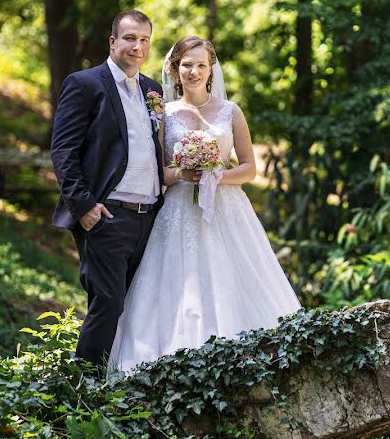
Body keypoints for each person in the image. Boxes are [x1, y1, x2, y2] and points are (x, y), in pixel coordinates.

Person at [108, 36, 300, 373]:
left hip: (227, 209)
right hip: (180, 210)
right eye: (186, 65)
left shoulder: (231, 111)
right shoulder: (164, 114)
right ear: (175, 69)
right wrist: (184, 173)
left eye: (200, 65)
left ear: (211, 69)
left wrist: (215, 176)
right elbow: (159, 173)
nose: (193, 71)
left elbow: (249, 169)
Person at [50, 10, 165, 369]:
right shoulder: (85, 84)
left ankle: (122, 384)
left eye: (144, 40)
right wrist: (84, 206)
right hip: (107, 215)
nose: (138, 46)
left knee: (137, 305)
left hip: (149, 217)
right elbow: (63, 150)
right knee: (109, 302)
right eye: (130, 38)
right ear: (113, 42)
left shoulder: (153, 90)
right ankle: (82, 388)